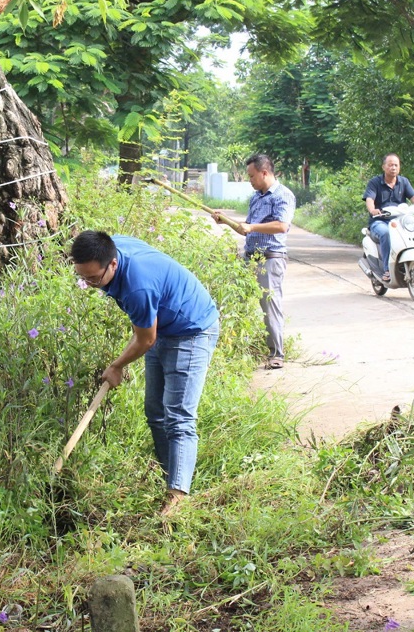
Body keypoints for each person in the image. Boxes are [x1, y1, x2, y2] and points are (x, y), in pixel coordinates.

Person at [70, 231, 220, 516]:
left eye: (93, 279)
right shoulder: (110, 247)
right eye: (82, 277)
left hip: (192, 330)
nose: (89, 285)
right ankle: (170, 476)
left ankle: (178, 496)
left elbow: (145, 340)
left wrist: (116, 366)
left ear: (112, 264)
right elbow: (147, 335)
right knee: (155, 411)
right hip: (162, 325)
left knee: (178, 415)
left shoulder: (138, 288)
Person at [218, 153, 295, 370]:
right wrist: (225, 221)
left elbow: (281, 226)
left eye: (252, 176)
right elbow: (247, 228)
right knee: (233, 301)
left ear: (264, 172)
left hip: (271, 259)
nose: (249, 180)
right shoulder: (256, 197)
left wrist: (251, 227)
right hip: (249, 258)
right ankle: (235, 350)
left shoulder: (283, 195)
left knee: (270, 307)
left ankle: (276, 354)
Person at [364, 153, 414, 282]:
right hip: (380, 221)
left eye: (396, 165)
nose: (393, 167)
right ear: (384, 167)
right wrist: (373, 210)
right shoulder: (375, 182)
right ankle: (387, 270)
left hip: (400, 221)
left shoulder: (403, 181)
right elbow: (369, 199)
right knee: (386, 234)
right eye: (390, 165)